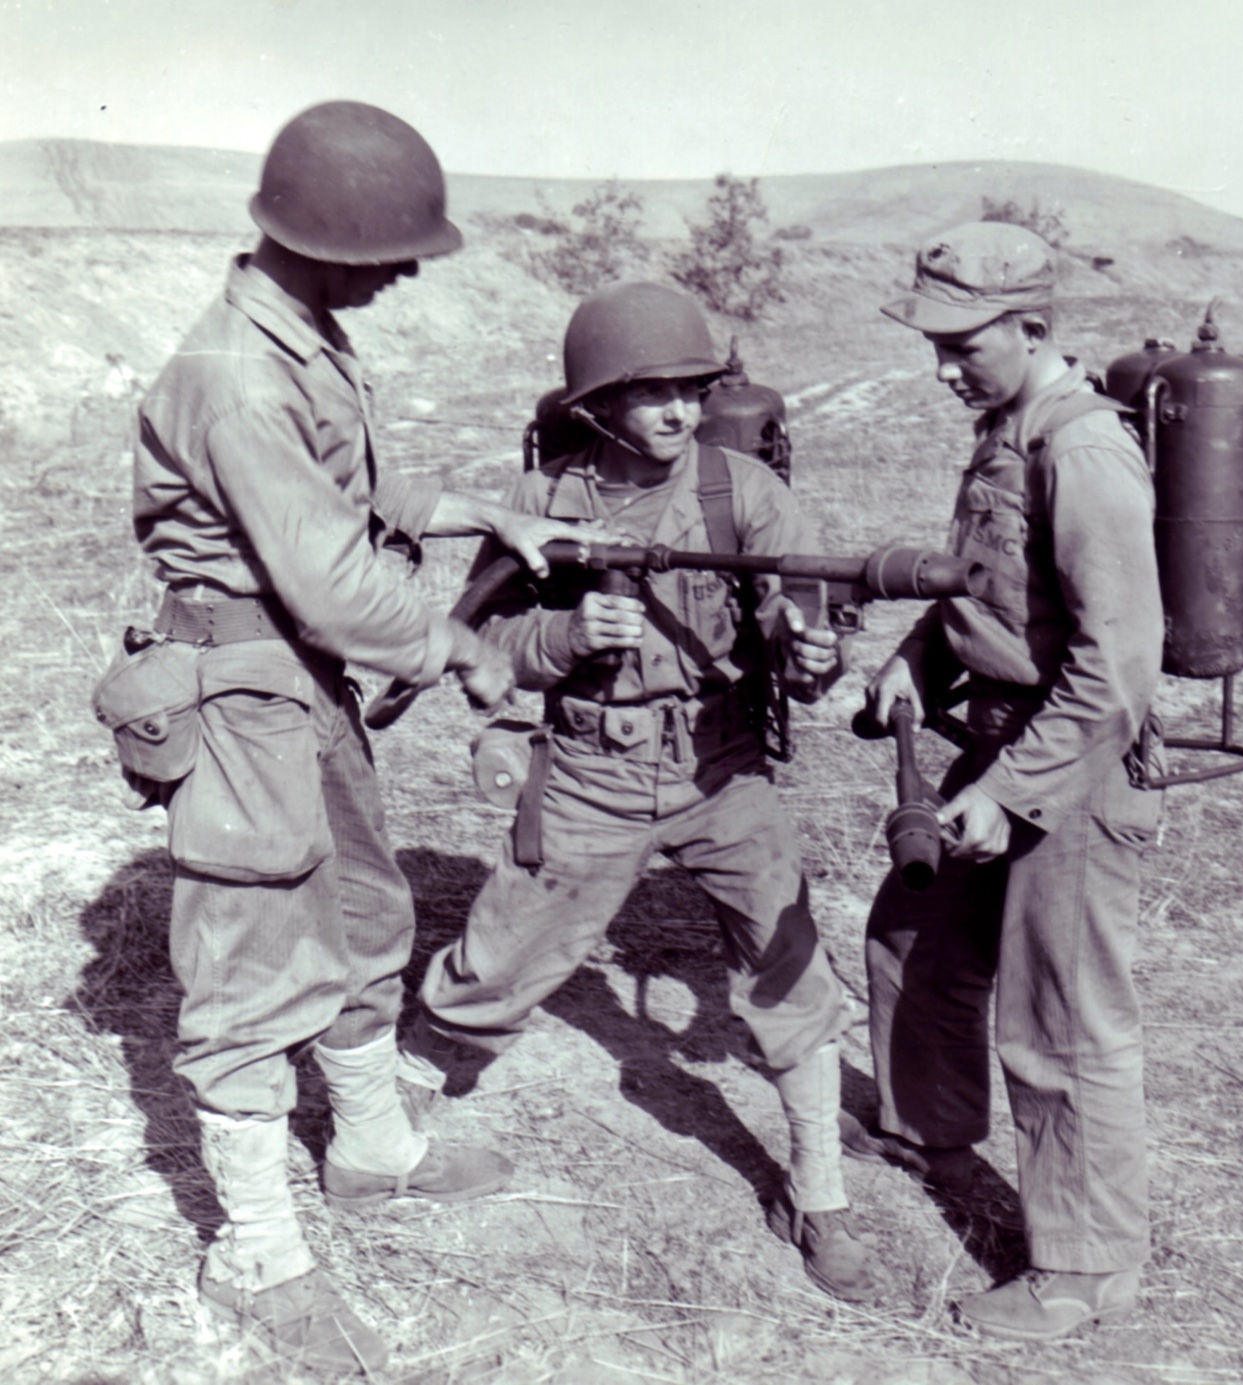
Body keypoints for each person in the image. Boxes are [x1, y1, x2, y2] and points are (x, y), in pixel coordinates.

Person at [128, 101, 599, 1374]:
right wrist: (456, 645)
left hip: (300, 680)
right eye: (392, 247)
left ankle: (374, 1147)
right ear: (325, 238)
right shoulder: (232, 374)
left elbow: (351, 485)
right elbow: (331, 577)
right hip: (243, 692)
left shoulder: (301, 341)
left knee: (359, 907)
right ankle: (256, 1252)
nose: (405, 270)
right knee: (248, 960)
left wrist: (476, 513)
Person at [397, 280, 882, 1303]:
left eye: (691, 390)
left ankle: (818, 1193)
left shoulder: (738, 490)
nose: (679, 412)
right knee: (497, 960)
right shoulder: (540, 504)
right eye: (652, 393)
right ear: (593, 406)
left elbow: (802, 629)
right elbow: (472, 639)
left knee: (789, 965)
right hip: (589, 768)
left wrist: (810, 653)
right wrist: (565, 637)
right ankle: (384, 1124)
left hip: (721, 769)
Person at [854, 222, 1164, 1340]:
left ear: (1031, 328)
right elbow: (991, 594)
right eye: (929, 344)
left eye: (962, 345)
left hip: (1068, 769)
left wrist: (1008, 788)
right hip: (998, 742)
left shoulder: (1079, 451)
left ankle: (1083, 1272)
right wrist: (916, 657)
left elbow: (1117, 664)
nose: (941, 367)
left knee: (1059, 1022)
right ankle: (928, 1125)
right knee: (910, 932)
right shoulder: (1002, 428)